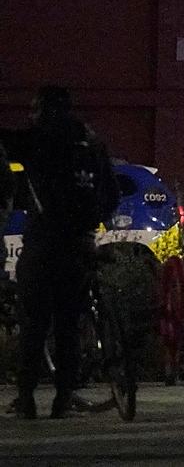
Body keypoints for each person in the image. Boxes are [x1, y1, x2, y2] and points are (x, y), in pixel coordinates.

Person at [10, 86, 118, 420]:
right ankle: (63, 398)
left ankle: (26, 399)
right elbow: (111, 192)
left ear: (42, 110)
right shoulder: (92, 145)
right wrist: (90, 223)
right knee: (68, 325)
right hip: (77, 248)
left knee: (33, 324)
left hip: (43, 246)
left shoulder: (36, 140)